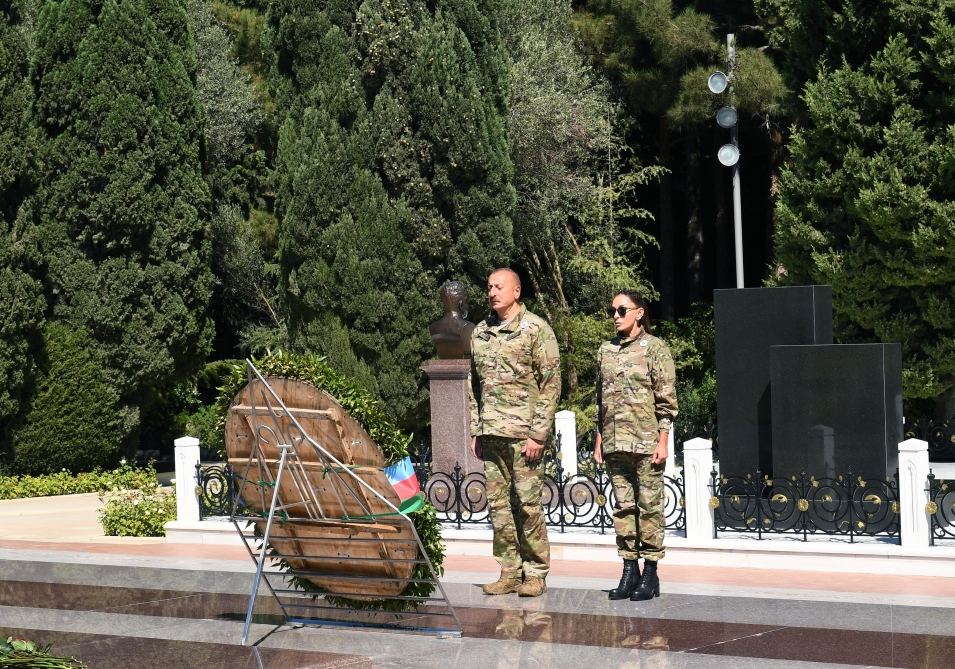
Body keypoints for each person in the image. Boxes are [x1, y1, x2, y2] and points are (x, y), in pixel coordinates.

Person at [468, 268, 561, 597]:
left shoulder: (536, 329)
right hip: (492, 432)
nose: (492, 292)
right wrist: (476, 428)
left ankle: (535, 572)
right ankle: (509, 570)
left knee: (528, 504)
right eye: (489, 286)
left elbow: (551, 384)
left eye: (499, 287)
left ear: (516, 291)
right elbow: (473, 386)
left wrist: (539, 434)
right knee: (498, 505)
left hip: (524, 435)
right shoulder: (480, 332)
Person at [595, 290, 678, 601]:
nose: (615, 315)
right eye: (612, 310)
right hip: (615, 443)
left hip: (646, 444)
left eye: (621, 309)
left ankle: (651, 574)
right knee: (623, 508)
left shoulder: (655, 349)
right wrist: (600, 438)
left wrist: (664, 439)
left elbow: (666, 400)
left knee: (649, 509)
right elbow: (600, 399)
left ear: (639, 313)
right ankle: (629, 571)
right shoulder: (605, 350)